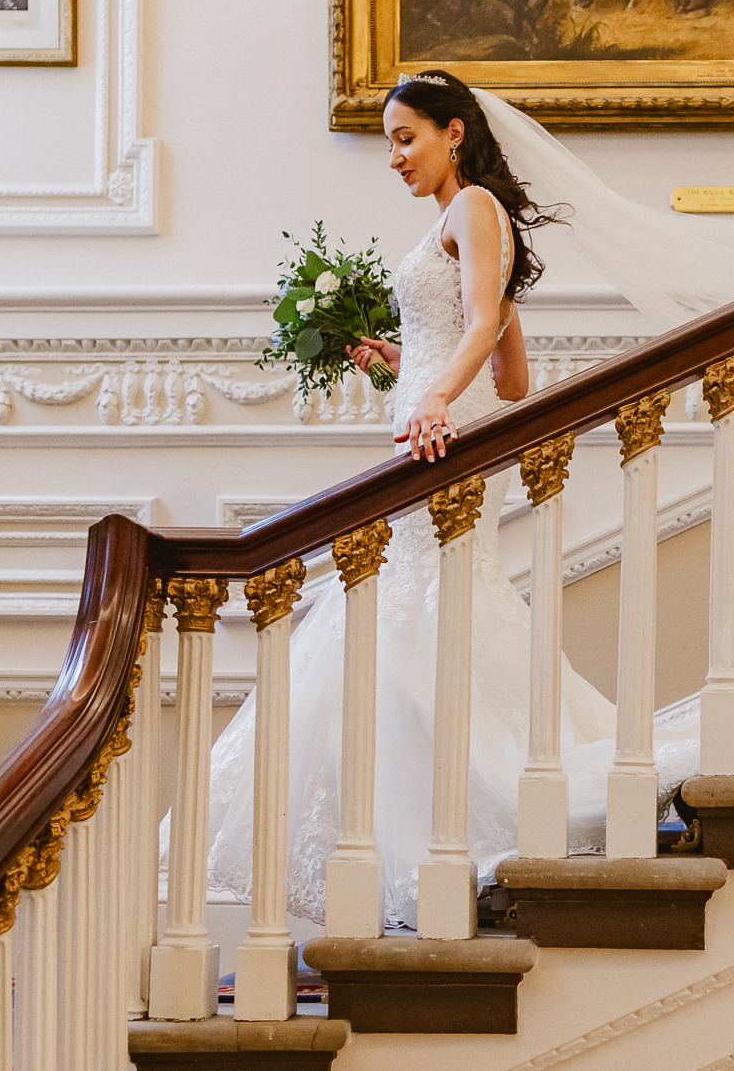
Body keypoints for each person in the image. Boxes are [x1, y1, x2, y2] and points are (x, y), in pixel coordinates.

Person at [200, 71, 608, 930]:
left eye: (405, 137)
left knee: (410, 621)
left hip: (444, 447)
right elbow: (512, 377)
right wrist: (403, 363)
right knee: (424, 622)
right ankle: (440, 838)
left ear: (453, 132)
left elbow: (482, 326)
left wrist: (432, 397)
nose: (394, 157)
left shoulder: (476, 209)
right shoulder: (462, 220)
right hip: (437, 437)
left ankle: (461, 832)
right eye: (390, 141)